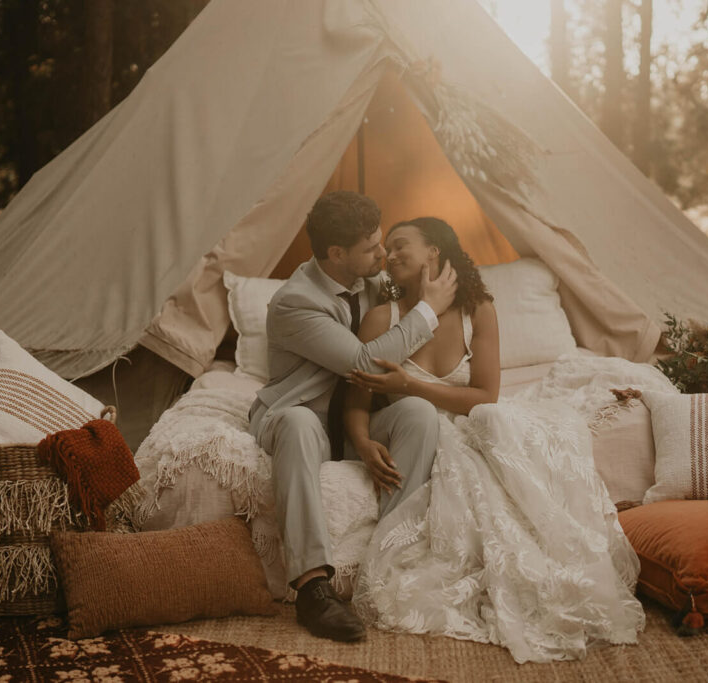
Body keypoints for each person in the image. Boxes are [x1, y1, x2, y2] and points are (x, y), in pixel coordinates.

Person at [345, 217, 644, 663]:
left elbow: (486, 395)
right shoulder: (378, 319)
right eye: (387, 248)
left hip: (463, 421)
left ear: (435, 251)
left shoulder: (477, 310)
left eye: (401, 244)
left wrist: (413, 385)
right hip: (412, 429)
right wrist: (364, 444)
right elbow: (355, 400)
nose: (390, 254)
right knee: (431, 423)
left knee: (506, 432)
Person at [249, 192, 458, 642]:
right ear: (336, 253)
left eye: (381, 243)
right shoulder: (294, 302)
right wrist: (429, 311)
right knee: (298, 422)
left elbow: (419, 275)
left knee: (420, 413)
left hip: (354, 419)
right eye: (371, 248)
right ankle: (312, 589)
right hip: (301, 415)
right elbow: (364, 360)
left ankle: (390, 557)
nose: (382, 255)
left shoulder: (373, 279)